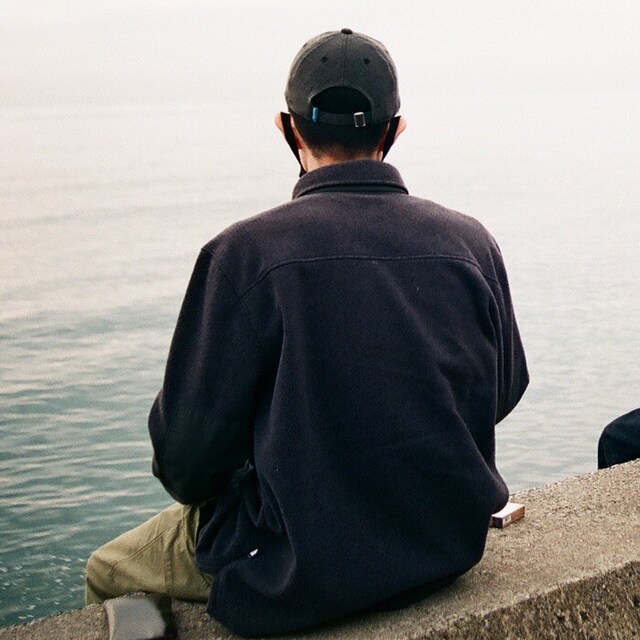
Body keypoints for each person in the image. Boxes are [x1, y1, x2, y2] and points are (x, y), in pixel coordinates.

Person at [85, 28, 529, 637]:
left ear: (288, 129)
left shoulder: (243, 255)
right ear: (395, 130)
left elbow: (185, 465)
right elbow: (501, 392)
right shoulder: (471, 243)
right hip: (443, 547)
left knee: (108, 569)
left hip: (300, 567)